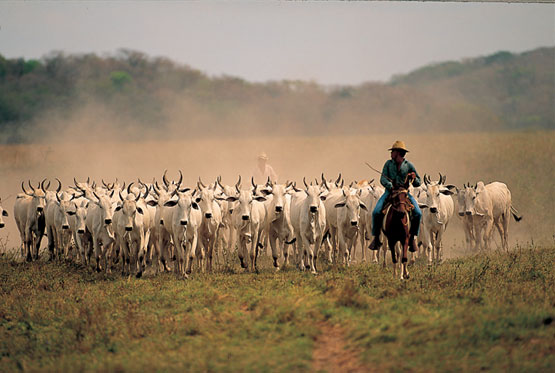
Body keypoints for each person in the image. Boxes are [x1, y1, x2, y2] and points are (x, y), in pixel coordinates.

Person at [369, 140, 422, 253]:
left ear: (398, 152)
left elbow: (418, 182)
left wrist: (414, 177)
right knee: (376, 212)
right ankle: (376, 238)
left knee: (418, 213)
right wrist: (390, 186)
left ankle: (412, 238)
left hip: (404, 193)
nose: (391, 153)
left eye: (393, 151)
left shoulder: (409, 165)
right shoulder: (388, 164)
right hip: (390, 192)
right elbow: (383, 179)